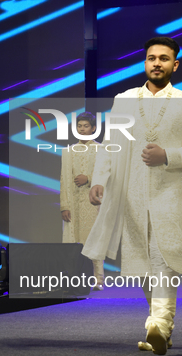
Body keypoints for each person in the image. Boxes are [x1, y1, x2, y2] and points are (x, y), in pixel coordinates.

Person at [82, 37, 182, 355]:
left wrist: (168, 154)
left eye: (164, 58)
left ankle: (158, 325)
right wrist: (99, 179)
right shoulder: (124, 100)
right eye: (152, 58)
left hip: (172, 192)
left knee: (164, 258)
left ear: (174, 65)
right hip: (131, 193)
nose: (157, 63)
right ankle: (160, 328)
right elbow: (111, 144)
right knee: (142, 263)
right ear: (145, 63)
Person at [60, 112, 105, 290]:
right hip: (74, 203)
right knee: (73, 243)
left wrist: (89, 178)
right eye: (79, 126)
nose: (82, 129)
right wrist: (64, 205)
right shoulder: (68, 151)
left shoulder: (101, 150)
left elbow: (107, 176)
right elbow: (64, 179)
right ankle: (72, 279)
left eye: (86, 126)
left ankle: (98, 279)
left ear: (93, 128)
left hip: (94, 203)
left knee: (95, 240)